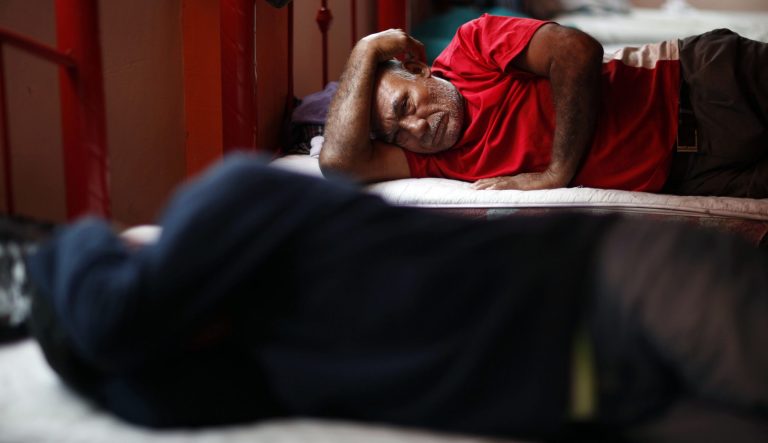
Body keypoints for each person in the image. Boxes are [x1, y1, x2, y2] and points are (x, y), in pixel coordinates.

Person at [5, 153, 768, 441]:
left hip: (616, 285)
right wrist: (63, 338)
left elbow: (114, 322)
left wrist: (56, 249)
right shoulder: (254, 367)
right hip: (605, 401)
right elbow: (144, 392)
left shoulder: (230, 197)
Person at [319, 15, 768, 198]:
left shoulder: (470, 49)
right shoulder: (431, 160)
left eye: (404, 106)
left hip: (702, 86)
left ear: (420, 69)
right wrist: (362, 54)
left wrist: (556, 173)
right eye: (397, 136)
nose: (415, 129)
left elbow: (576, 50)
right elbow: (340, 164)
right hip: (692, 175)